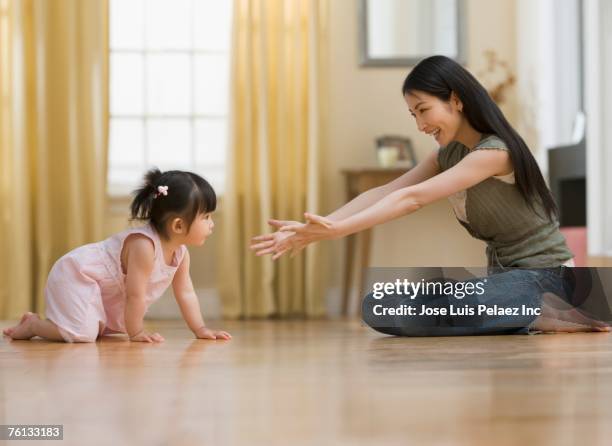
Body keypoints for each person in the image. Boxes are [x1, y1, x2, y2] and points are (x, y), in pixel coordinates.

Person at [251, 55, 609, 336]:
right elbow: (389, 190)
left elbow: (413, 199)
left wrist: (337, 232)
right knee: (381, 305)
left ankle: (550, 310)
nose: (420, 125)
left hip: (546, 278)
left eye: (423, 110)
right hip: (505, 281)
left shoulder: (496, 153)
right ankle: (529, 318)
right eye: (413, 114)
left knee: (417, 307)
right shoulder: (448, 154)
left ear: (456, 100)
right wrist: (320, 225)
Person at [3, 168, 231, 343]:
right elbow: (135, 296)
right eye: (207, 217)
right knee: (82, 335)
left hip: (101, 288)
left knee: (97, 329)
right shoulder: (144, 246)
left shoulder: (181, 254)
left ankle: (78, 322)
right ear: (179, 226)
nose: (211, 225)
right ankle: (34, 325)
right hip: (77, 275)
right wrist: (137, 332)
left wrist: (200, 330)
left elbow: (186, 294)